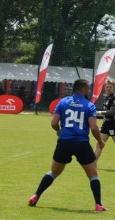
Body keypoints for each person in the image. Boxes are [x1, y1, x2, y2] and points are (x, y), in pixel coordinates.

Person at [28, 78, 106, 211]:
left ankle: (36, 196)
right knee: (93, 174)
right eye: (88, 88)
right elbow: (94, 127)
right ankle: (98, 205)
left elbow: (53, 123)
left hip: (64, 142)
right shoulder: (89, 105)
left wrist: (59, 131)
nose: (89, 91)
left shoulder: (62, 102)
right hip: (82, 143)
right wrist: (100, 141)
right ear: (83, 89)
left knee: (54, 172)